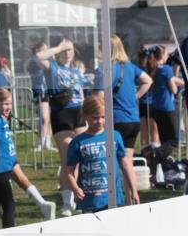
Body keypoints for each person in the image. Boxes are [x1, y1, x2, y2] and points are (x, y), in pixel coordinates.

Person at [0, 88, 56, 229]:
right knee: (8, 204)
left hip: (5, 166)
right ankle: (7, 233)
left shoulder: (1, 120)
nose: (9, 107)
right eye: (5, 104)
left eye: (10, 104)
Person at [63, 95, 139, 213]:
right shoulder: (77, 142)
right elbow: (68, 171)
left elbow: (125, 164)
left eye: (103, 117)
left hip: (113, 198)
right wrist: (75, 187)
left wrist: (134, 190)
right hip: (89, 200)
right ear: (85, 117)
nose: (100, 121)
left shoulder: (115, 136)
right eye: (95, 118)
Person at [36, 38, 87, 215]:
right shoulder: (53, 68)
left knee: (80, 158)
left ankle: (77, 198)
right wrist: (58, 47)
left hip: (78, 114)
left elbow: (81, 94)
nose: (68, 53)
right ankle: (66, 203)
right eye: (65, 50)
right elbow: (39, 56)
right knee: (67, 159)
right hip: (61, 114)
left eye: (70, 50)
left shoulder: (77, 71)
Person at [93, 35, 153, 161]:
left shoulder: (103, 69)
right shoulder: (129, 66)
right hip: (132, 120)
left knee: (110, 162)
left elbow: (98, 99)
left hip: (116, 120)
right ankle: (130, 182)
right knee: (126, 163)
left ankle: (115, 182)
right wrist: (134, 96)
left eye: (100, 46)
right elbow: (148, 80)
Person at [26, 43, 53, 151]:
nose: (47, 52)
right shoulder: (34, 60)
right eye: (44, 50)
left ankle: (47, 142)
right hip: (40, 91)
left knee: (49, 119)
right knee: (44, 119)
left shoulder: (47, 61)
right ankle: (41, 143)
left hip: (47, 90)